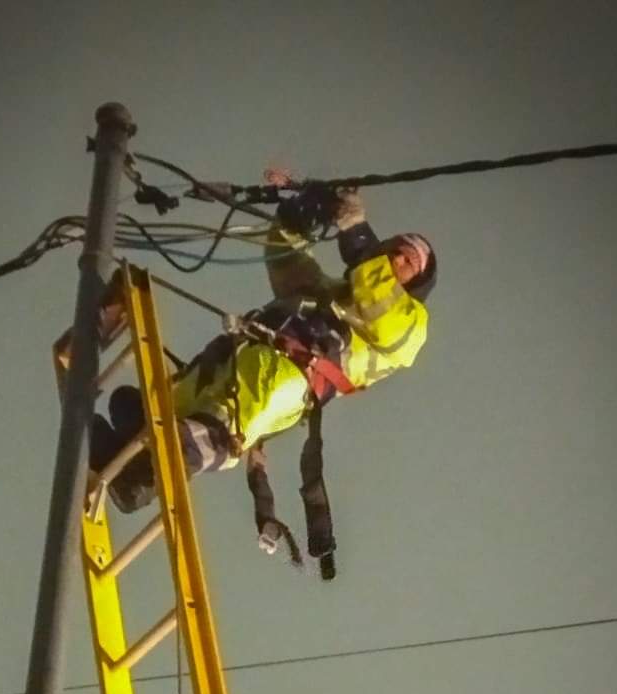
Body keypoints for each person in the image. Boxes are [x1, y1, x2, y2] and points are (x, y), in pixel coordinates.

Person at [88, 176, 436, 575]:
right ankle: (126, 453)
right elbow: (288, 260)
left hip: (289, 378)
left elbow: (380, 304)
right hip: (237, 358)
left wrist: (357, 233)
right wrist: (298, 215)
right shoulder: (330, 293)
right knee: (152, 407)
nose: (396, 258)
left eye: (408, 261)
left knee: (217, 432)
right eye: (394, 249)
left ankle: (139, 481)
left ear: (416, 284)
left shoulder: (410, 326)